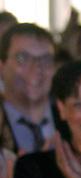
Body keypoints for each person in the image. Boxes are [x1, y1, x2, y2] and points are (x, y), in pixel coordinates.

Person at [0, 23, 55, 154]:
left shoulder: (75, 120)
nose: (36, 68)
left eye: (46, 59)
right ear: (1, 67)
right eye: (22, 58)